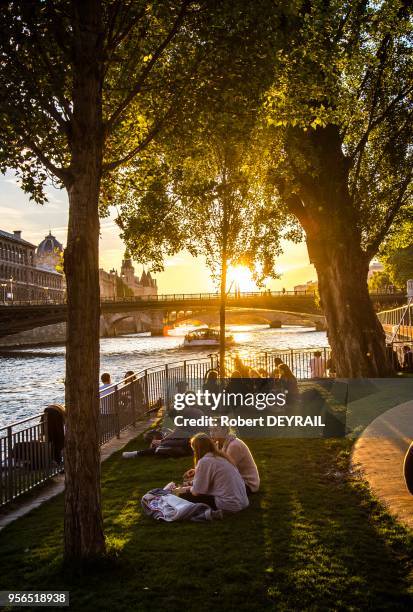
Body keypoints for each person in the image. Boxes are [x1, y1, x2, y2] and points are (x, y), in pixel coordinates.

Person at [178, 433, 249, 513]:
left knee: (182, 496)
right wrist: (191, 483)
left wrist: (185, 489)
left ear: (197, 450)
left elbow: (197, 492)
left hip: (229, 504)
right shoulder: (222, 457)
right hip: (243, 502)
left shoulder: (204, 461)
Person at [210, 426, 260, 493]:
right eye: (211, 430)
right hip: (233, 480)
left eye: (215, 430)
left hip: (247, 484)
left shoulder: (234, 445)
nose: (212, 433)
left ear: (225, 431)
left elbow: (226, 471)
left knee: (203, 490)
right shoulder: (217, 444)